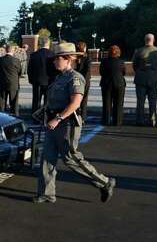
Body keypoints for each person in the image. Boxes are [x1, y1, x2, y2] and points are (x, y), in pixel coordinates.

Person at [33, 42, 117, 204]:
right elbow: (53, 100)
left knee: (71, 158)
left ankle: (104, 182)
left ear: (68, 59)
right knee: (47, 158)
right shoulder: (59, 78)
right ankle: (46, 193)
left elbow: (75, 103)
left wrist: (58, 119)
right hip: (53, 123)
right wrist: (43, 112)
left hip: (66, 124)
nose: (54, 61)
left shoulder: (76, 78)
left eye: (58, 59)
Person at [132, 34, 157, 126]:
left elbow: (134, 65)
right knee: (153, 101)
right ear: (153, 40)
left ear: (144, 40)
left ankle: (139, 120)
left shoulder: (138, 51)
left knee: (140, 101)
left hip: (140, 78)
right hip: (154, 79)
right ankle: (152, 120)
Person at [98, 45, 126, 126]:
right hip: (119, 84)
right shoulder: (121, 62)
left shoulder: (104, 61)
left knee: (106, 103)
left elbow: (101, 72)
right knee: (119, 103)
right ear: (118, 53)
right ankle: (117, 121)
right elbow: (124, 73)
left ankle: (106, 120)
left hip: (106, 83)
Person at [27, 37, 51, 115]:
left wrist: (31, 80)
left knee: (36, 100)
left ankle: (35, 116)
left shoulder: (34, 55)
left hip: (36, 81)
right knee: (47, 101)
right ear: (48, 44)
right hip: (49, 81)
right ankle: (45, 116)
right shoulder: (52, 55)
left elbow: (29, 69)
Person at [0, 45, 22, 115]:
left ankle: (1, 117)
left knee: (2, 102)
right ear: (13, 51)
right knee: (14, 103)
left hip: (2, 83)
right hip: (13, 84)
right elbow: (19, 72)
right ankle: (14, 117)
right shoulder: (16, 60)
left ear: (5, 50)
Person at [75, 41, 91, 117]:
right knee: (84, 99)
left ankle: (76, 114)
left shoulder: (75, 57)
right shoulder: (87, 57)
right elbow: (88, 70)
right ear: (84, 48)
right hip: (85, 80)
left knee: (75, 98)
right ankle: (83, 116)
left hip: (76, 80)